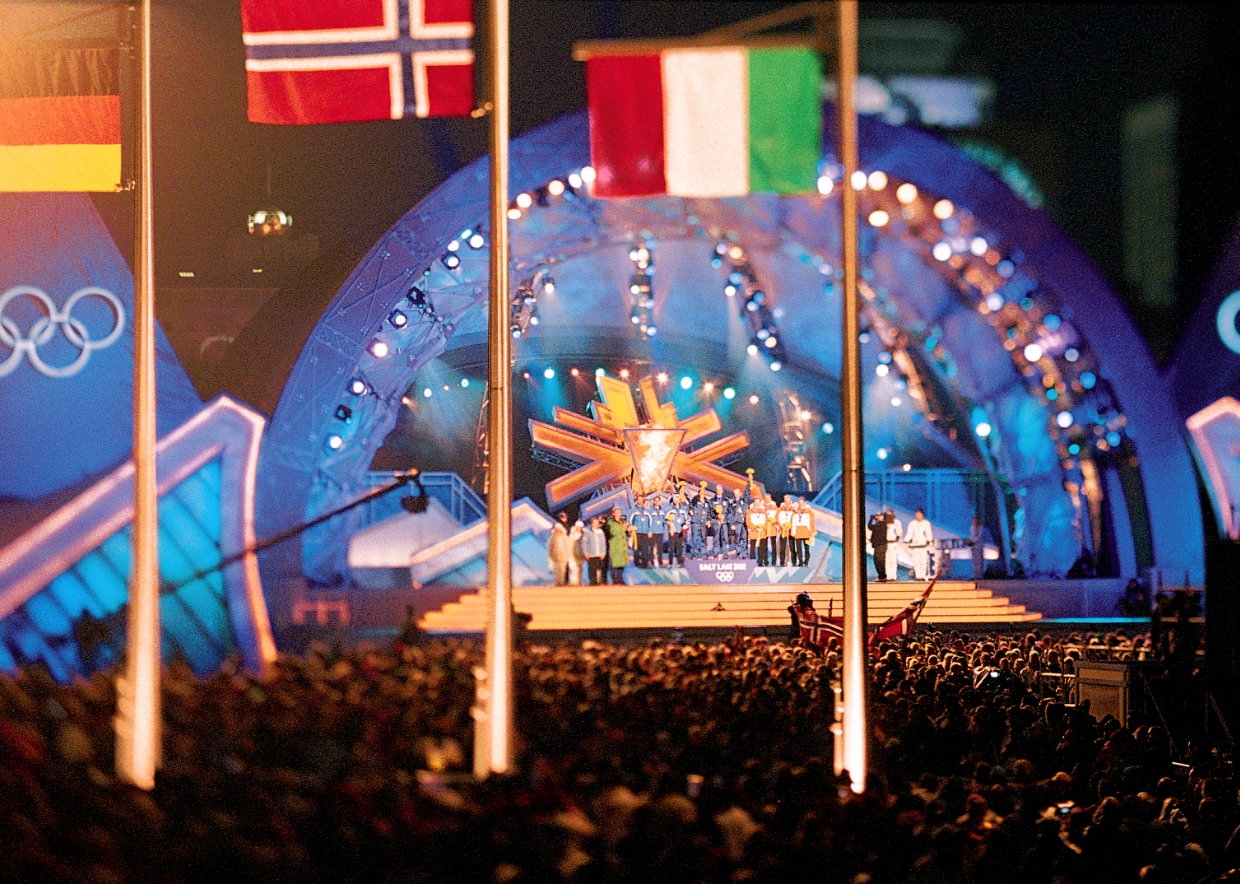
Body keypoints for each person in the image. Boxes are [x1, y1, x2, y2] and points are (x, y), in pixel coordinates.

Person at [903, 508, 934, 581]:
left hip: (923, 545)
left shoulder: (926, 523)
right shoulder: (912, 523)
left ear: (922, 515)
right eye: (916, 514)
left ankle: (922, 576)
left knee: (923, 561)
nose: (918, 516)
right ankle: (918, 576)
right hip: (915, 545)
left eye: (919, 514)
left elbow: (928, 533)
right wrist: (906, 540)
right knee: (916, 561)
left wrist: (929, 541)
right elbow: (910, 533)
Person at [580, 516, 608, 586]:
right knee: (592, 569)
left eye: (597, 523)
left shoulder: (600, 532)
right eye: (594, 523)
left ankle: (598, 581)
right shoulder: (587, 532)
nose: (596, 524)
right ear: (591, 524)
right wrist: (585, 553)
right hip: (591, 554)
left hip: (599, 554)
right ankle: (593, 582)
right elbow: (584, 543)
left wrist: (603, 552)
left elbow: (603, 543)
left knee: (599, 568)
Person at [604, 507, 629, 584]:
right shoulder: (610, 523)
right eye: (617, 512)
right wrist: (623, 528)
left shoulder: (623, 522)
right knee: (614, 564)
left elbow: (625, 533)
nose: (618, 514)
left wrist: (629, 531)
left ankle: (620, 580)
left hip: (622, 546)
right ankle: (614, 580)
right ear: (613, 513)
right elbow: (612, 532)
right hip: (614, 545)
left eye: (619, 512)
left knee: (621, 563)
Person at [547, 511, 572, 584]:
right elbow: (550, 545)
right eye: (562, 517)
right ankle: (558, 581)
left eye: (564, 517)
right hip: (556, 555)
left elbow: (567, 543)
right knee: (557, 569)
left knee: (565, 568)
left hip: (564, 554)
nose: (563, 518)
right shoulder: (553, 536)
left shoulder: (567, 528)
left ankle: (564, 581)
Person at [791, 499, 813, 567]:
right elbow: (793, 522)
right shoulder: (795, 512)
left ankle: (806, 562)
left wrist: (811, 531)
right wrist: (793, 531)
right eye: (799, 502)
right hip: (798, 531)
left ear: (804, 503)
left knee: (807, 548)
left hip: (806, 531)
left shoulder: (809, 511)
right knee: (798, 548)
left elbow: (811, 522)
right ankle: (800, 562)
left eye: (802, 502)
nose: (801, 504)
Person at [868, 510, 889, 581]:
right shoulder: (878, 524)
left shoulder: (883, 524)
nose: (878, 517)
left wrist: (872, 519)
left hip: (881, 545)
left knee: (880, 560)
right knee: (877, 560)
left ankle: (882, 576)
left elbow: (870, 527)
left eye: (879, 515)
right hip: (877, 545)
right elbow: (870, 527)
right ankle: (881, 576)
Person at [885, 509, 902, 581]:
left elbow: (899, 532)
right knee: (887, 560)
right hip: (886, 543)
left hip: (893, 543)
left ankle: (893, 576)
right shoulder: (884, 522)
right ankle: (888, 576)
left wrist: (896, 539)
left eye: (890, 514)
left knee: (893, 560)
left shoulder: (896, 522)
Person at [567, 519, 586, 585]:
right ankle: (573, 582)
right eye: (578, 527)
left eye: (580, 527)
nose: (579, 528)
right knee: (573, 569)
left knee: (579, 569)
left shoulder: (583, 535)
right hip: (572, 554)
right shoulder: (572, 535)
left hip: (580, 555)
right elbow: (569, 545)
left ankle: (578, 582)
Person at [969, 515, 986, 580]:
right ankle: (975, 575)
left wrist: (973, 541)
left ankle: (980, 576)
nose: (974, 521)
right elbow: (972, 536)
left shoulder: (980, 528)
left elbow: (979, 537)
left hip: (979, 546)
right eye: (973, 519)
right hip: (974, 547)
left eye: (975, 519)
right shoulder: (972, 527)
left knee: (979, 561)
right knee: (974, 562)